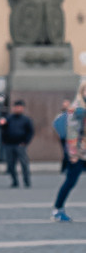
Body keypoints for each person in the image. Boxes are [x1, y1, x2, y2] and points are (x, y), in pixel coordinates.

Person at [54, 81, 86, 222]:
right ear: (82, 91)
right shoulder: (77, 108)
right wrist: (72, 154)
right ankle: (58, 209)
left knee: (71, 181)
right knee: (70, 181)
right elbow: (71, 132)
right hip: (79, 152)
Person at [0, 99, 34, 188]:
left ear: (22, 108)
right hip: (9, 144)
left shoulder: (26, 120)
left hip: (20, 144)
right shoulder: (9, 118)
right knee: (11, 164)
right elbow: (3, 129)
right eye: (16, 107)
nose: (18, 109)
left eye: (20, 107)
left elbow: (30, 132)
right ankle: (15, 181)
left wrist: (25, 142)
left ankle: (27, 181)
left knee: (24, 163)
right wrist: (2, 125)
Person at [54, 99, 72, 172]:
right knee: (66, 153)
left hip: (72, 138)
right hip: (64, 138)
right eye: (65, 104)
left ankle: (65, 168)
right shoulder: (60, 116)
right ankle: (64, 168)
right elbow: (57, 126)